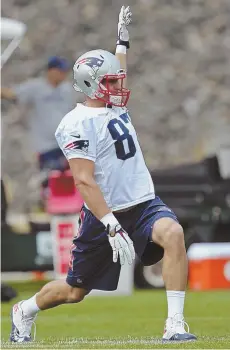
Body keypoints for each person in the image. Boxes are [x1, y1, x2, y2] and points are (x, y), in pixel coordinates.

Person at [10, 6, 197, 343]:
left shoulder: (114, 104)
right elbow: (83, 180)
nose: (117, 84)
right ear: (91, 85)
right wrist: (110, 224)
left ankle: (174, 325)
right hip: (103, 216)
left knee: (173, 234)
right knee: (74, 291)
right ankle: (25, 309)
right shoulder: (75, 123)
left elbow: (118, 68)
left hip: (142, 204)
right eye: (109, 81)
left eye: (115, 80)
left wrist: (122, 41)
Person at [1, 56, 76, 180]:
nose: (63, 75)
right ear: (51, 70)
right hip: (45, 145)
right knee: (50, 180)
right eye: (61, 71)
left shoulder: (67, 89)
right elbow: (11, 94)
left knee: (71, 182)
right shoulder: (36, 87)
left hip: (66, 144)